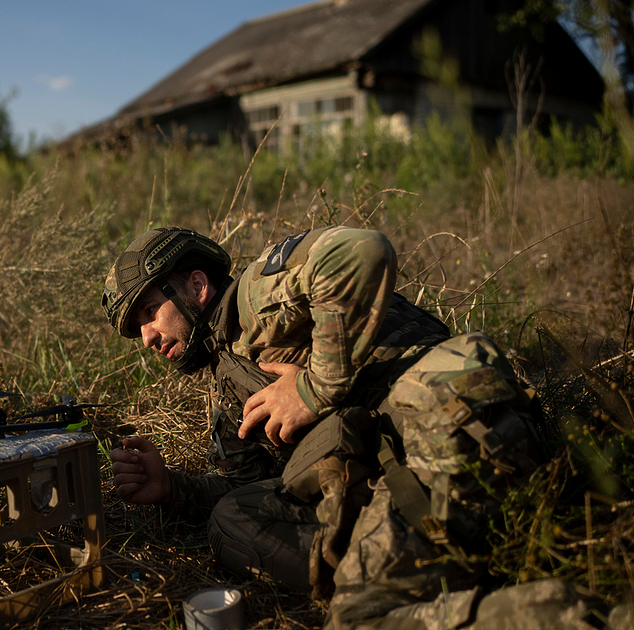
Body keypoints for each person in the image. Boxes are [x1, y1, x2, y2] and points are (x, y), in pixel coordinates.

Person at [103, 226, 551, 625]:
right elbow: (246, 485)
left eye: (150, 312)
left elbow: (361, 250)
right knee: (230, 520)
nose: (146, 338)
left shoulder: (251, 299)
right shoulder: (230, 376)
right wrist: (171, 487)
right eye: (138, 327)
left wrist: (313, 389)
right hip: (407, 470)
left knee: (363, 618)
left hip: (453, 429)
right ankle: (405, 576)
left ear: (198, 286)